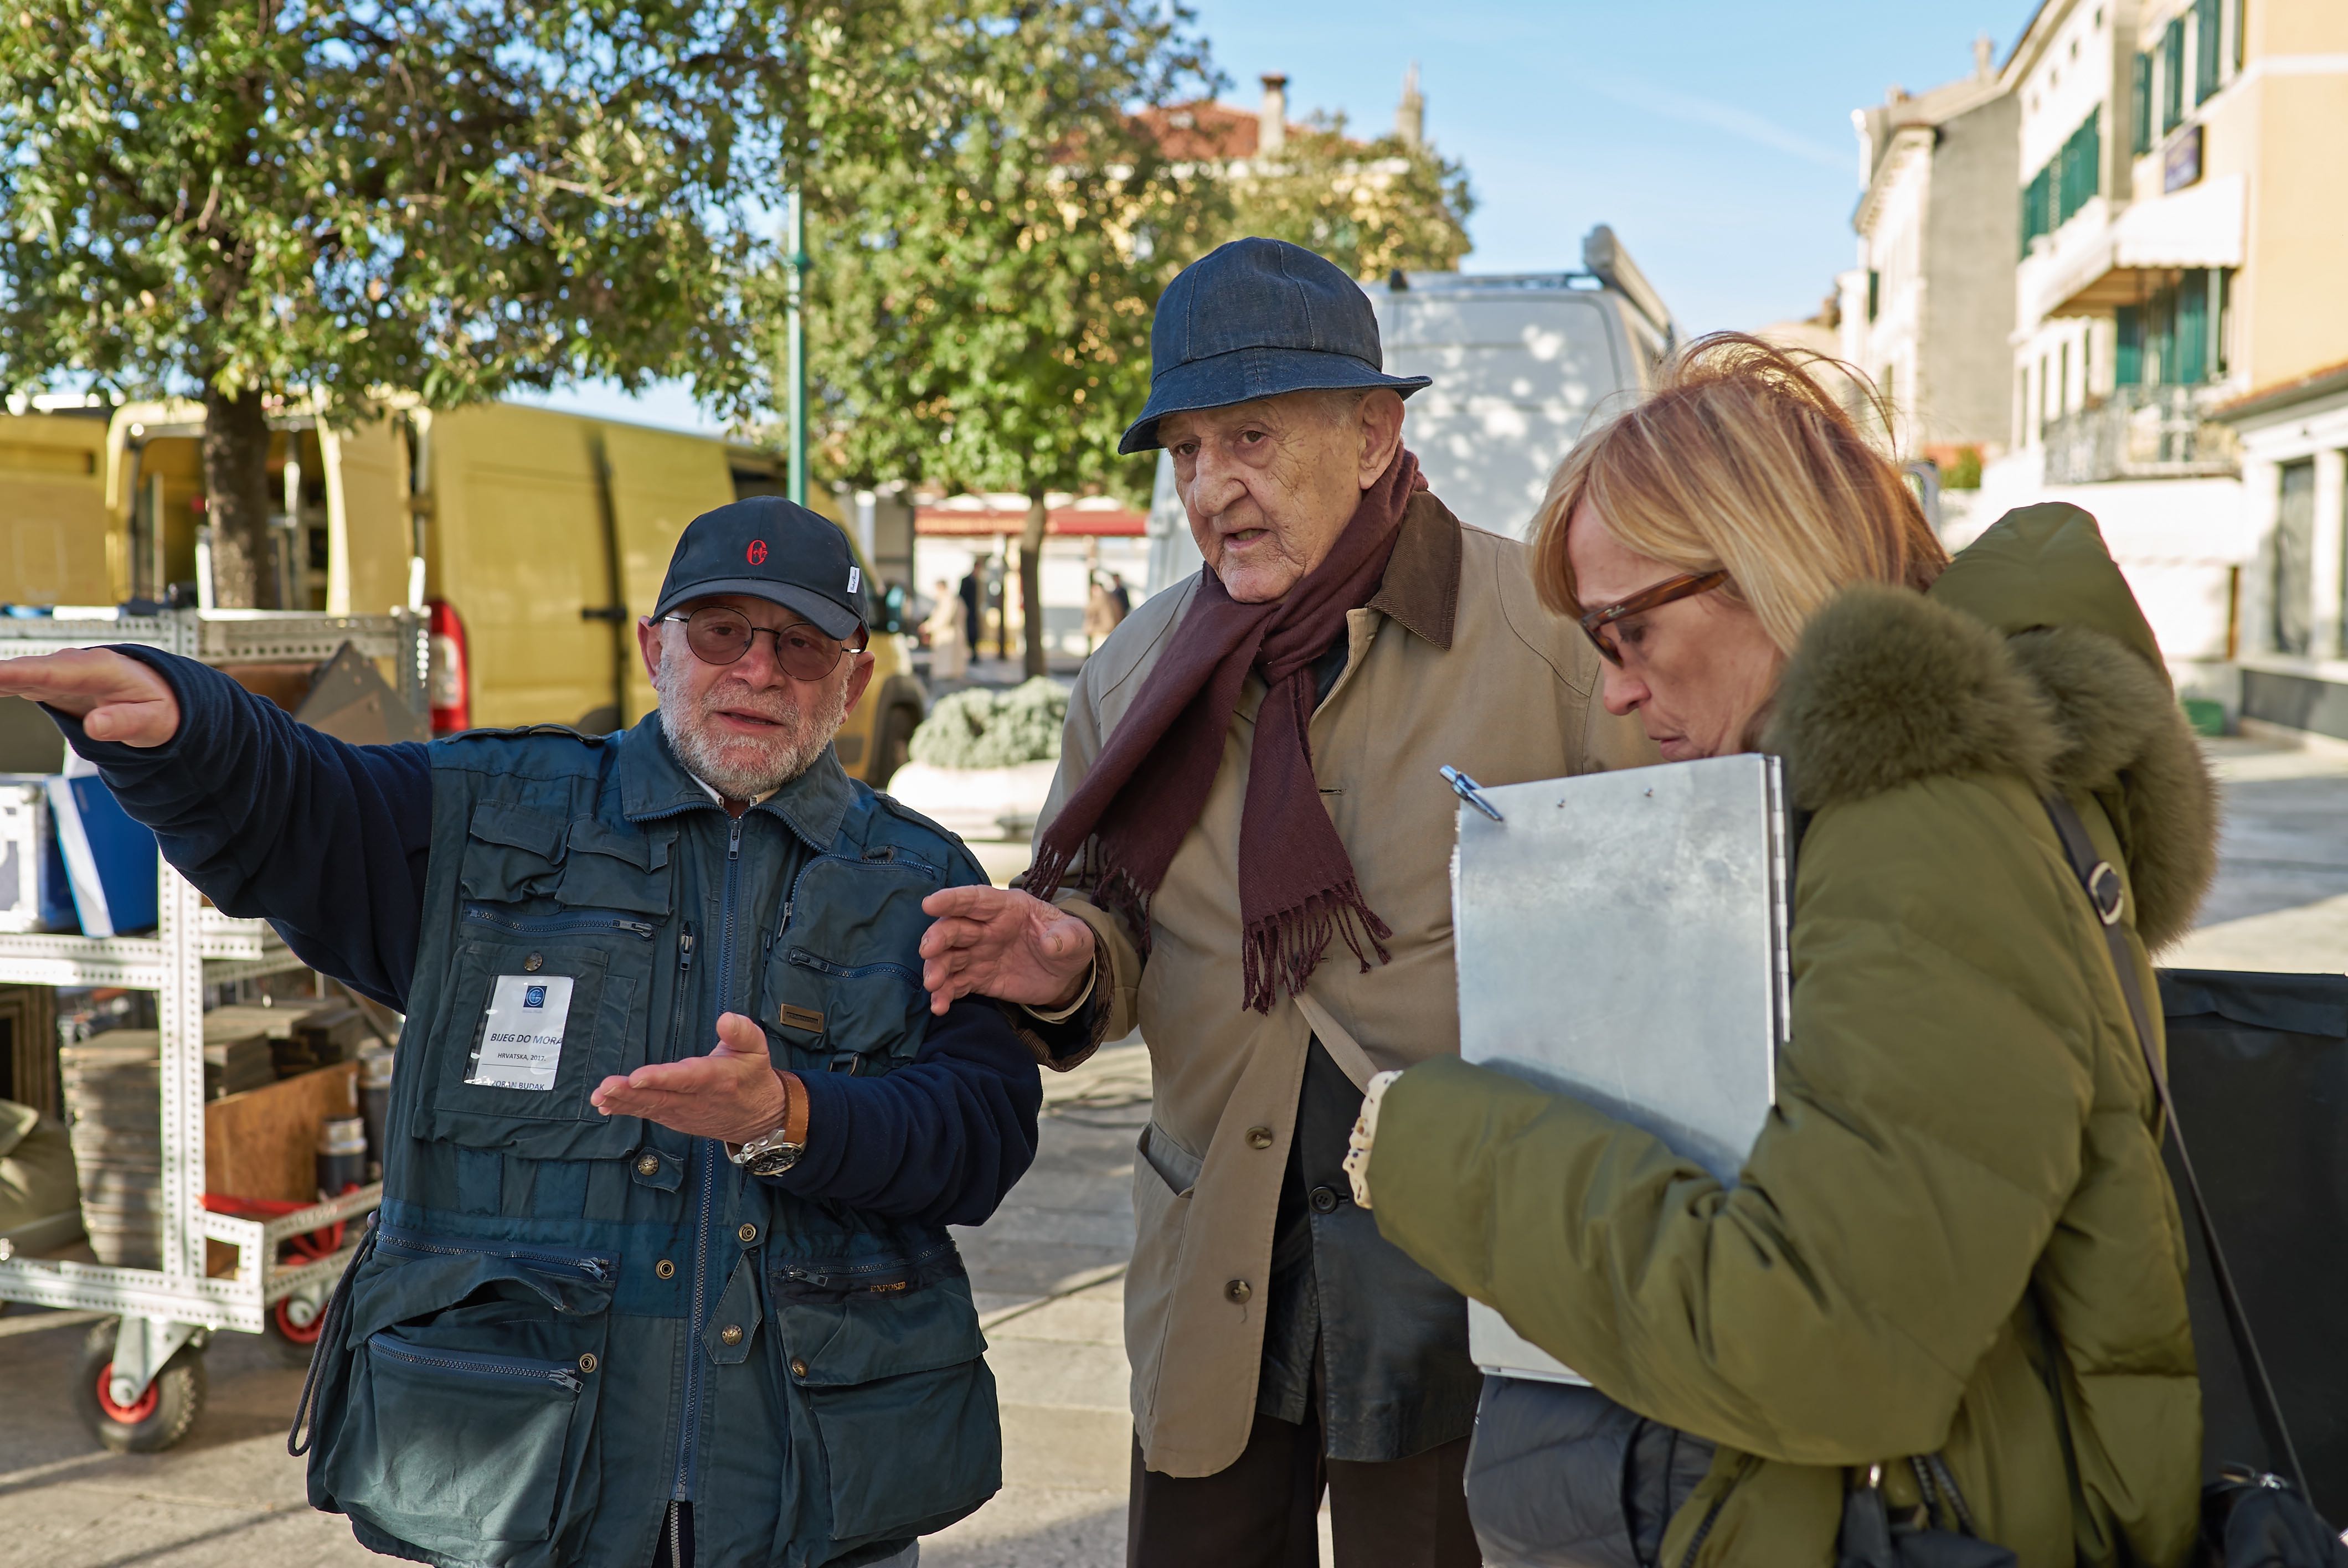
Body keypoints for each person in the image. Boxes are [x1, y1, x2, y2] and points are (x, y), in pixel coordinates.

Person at [0, 499, 1077, 1568]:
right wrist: (189, 726)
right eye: (720, 633)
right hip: (530, 1497)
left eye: (799, 644)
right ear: (656, 648)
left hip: (814, 1501)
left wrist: (790, 1116)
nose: (757, 671)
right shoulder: (483, 810)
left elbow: (979, 1138)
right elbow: (300, 802)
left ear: (853, 676)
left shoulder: (924, 881)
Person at [1347, 336, 2215, 1567]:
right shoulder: (1904, 806)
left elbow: (1827, 1340)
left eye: (1622, 633)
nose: (1612, 695)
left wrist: (1440, 1140)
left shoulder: (1924, 819)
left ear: (1757, 569)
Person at [916, 236, 1653, 1568]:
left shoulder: (1546, 635)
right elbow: (1108, 924)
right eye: (1186, 450)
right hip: (1220, 1264)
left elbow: (1655, 943)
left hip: (1465, 1274)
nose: (1211, 488)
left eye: (1248, 435)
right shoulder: (1135, 671)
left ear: (1375, 434)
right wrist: (1065, 954)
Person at [924, 576, 969, 685]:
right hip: (951, 635)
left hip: (947, 637)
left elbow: (943, 619)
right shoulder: (954, 598)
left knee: (947, 672)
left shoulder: (948, 599)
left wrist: (927, 627)